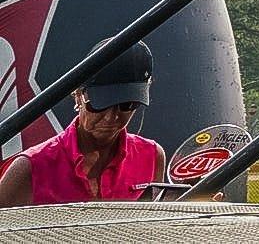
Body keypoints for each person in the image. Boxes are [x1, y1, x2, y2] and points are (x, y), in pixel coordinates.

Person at [0, 43, 163, 205]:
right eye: (100, 104)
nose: (111, 118)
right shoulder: (29, 169)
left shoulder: (153, 157)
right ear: (78, 95)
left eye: (127, 105)